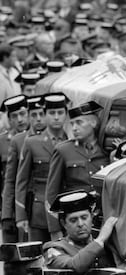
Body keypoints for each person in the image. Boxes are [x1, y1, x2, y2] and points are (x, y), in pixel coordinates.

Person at [46, 101, 109, 240]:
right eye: (72, 124)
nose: (74, 128)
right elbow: (51, 194)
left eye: (79, 123)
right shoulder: (63, 150)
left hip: (101, 220)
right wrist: (55, 229)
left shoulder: (106, 151)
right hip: (74, 223)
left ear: (93, 123)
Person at [15, 93, 69, 242]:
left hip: (67, 211)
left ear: (66, 115)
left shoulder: (72, 142)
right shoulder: (32, 143)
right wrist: (21, 215)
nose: (56, 117)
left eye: (60, 113)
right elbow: (21, 182)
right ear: (45, 116)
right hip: (39, 215)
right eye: (52, 113)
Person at [1, 95, 45, 243]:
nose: (20, 120)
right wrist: (7, 215)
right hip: (21, 204)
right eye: (14, 116)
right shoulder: (17, 141)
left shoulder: (54, 137)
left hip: (39, 205)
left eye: (22, 114)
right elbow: (10, 181)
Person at [43, 190, 117, 273]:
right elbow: (73, 267)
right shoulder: (55, 248)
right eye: (73, 220)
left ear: (92, 218)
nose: (80, 224)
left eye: (84, 218)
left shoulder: (107, 246)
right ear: (64, 224)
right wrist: (100, 239)